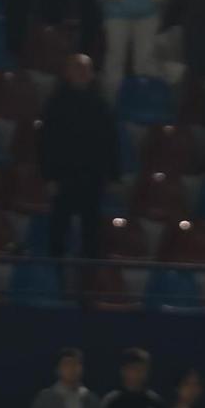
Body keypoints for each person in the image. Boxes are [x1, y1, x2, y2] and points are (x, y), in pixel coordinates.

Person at [37, 53, 119, 263]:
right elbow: (46, 143)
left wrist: (113, 175)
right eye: (77, 69)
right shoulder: (56, 104)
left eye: (85, 70)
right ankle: (54, 277)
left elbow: (111, 142)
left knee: (91, 232)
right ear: (67, 73)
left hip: (93, 177)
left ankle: (88, 284)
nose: (82, 73)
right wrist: (49, 176)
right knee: (58, 229)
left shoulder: (101, 105)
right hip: (64, 176)